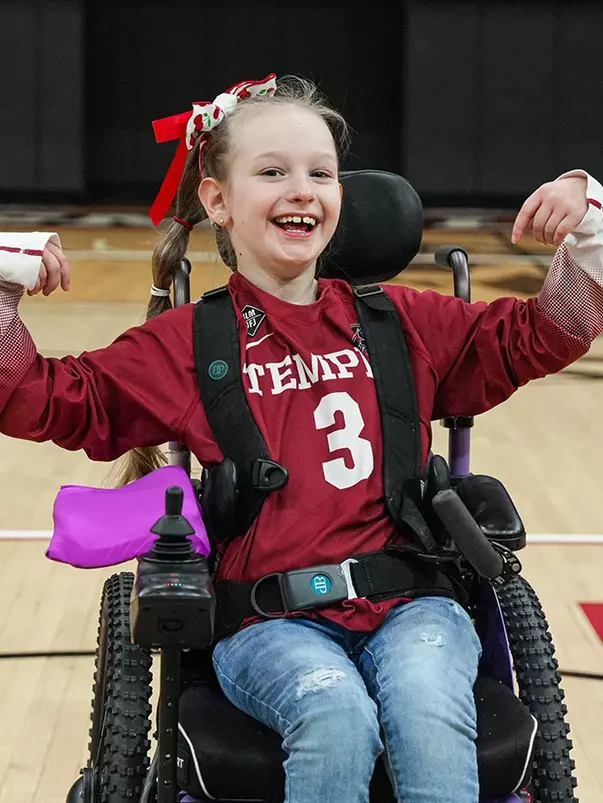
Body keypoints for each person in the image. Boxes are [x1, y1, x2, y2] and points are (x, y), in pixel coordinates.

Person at [1, 74, 602, 803]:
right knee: (334, 715)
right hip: (267, 621)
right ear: (217, 199)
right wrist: (3, 298)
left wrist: (586, 223)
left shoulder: (403, 321)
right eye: (272, 171)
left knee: (426, 708)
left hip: (414, 606)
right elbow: (53, 402)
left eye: (320, 172)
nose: (302, 189)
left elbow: (543, 333)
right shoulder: (188, 343)